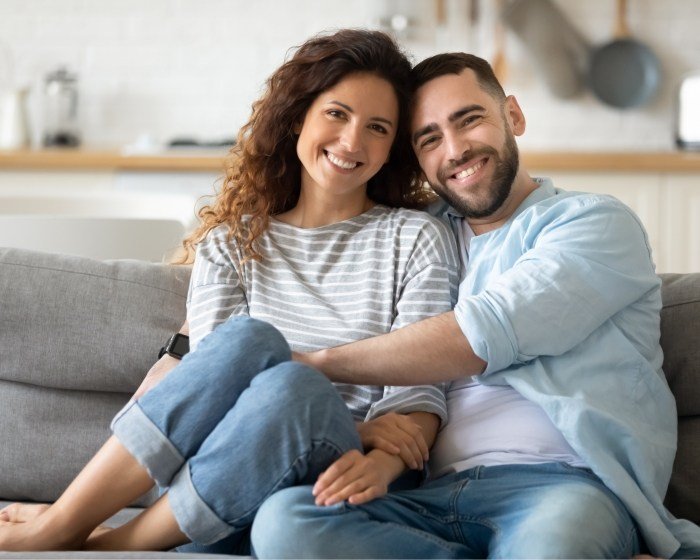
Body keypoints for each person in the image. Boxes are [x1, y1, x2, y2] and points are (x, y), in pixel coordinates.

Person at [0, 30, 460, 553]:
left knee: (294, 387)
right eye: (337, 114)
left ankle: (107, 544)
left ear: (392, 147)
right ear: (298, 118)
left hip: (353, 477)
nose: (353, 141)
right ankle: (67, 522)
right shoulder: (232, 243)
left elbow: (418, 395)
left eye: (377, 127)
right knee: (248, 342)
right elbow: (214, 394)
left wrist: (369, 446)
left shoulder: (416, 237)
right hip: (233, 462)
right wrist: (362, 425)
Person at [250, 53, 700, 559]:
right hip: (427, 497)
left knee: (553, 548)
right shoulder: (416, 238)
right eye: (429, 139)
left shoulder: (592, 224)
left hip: (563, 488)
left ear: (513, 116)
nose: (456, 149)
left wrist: (315, 365)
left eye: (469, 120)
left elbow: (482, 333)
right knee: (285, 524)